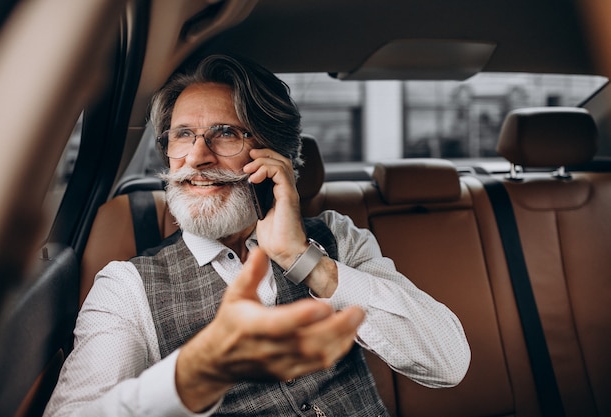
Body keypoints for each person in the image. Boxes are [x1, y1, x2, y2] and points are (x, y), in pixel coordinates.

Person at [45, 54, 470, 416]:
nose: (196, 156)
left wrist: (306, 260)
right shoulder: (126, 288)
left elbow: (447, 363)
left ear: (276, 157)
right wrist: (195, 374)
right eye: (183, 135)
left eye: (225, 133)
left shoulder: (339, 239)